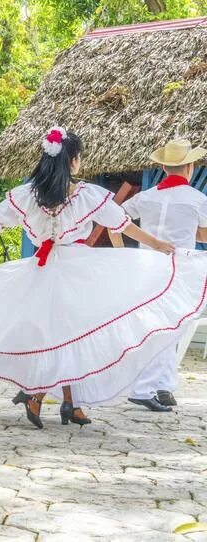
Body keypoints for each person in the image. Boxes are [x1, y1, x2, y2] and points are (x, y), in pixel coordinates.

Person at [0, 127, 207, 429]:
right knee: (69, 335)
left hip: (40, 271)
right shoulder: (84, 195)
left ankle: (69, 401)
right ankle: (41, 395)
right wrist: (157, 245)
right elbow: (122, 225)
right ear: (73, 161)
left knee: (61, 335)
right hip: (75, 270)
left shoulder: (28, 195)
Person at [115, 139, 207, 412]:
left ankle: (164, 385)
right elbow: (204, 233)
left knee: (162, 325)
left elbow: (116, 220)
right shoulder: (197, 199)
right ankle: (144, 388)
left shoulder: (146, 197)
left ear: (165, 168)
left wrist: (123, 253)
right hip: (180, 267)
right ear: (188, 167)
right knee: (171, 326)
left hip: (147, 265)